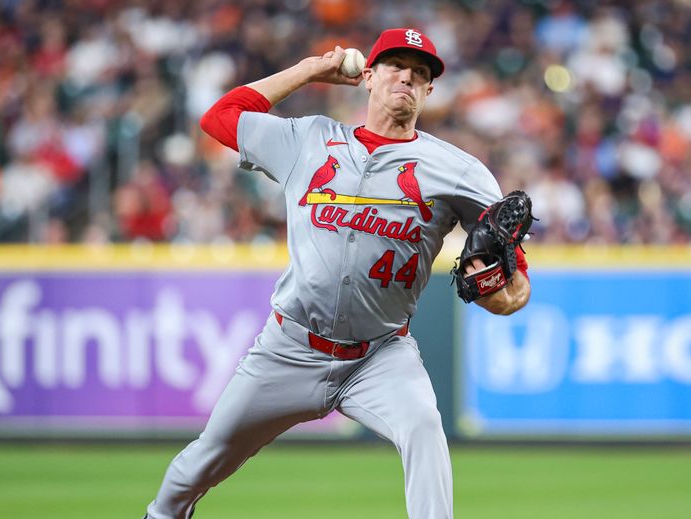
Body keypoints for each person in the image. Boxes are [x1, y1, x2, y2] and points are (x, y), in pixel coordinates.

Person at [144, 27, 531, 519]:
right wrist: (309, 71)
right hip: (289, 349)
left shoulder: (459, 172)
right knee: (196, 467)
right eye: (395, 67)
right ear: (368, 76)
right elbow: (219, 118)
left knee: (424, 430)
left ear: (430, 90)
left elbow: (514, 285)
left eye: (420, 74)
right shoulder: (308, 139)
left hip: (380, 354)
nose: (406, 80)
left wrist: (502, 291)